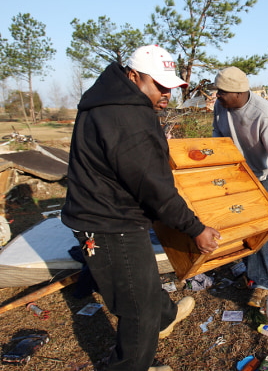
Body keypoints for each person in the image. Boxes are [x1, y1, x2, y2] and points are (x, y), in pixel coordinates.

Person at [62, 45, 221, 371]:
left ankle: (166, 316)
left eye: (170, 86)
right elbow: (154, 188)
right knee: (137, 308)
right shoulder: (127, 115)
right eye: (159, 85)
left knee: (140, 280)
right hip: (108, 221)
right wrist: (196, 229)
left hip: (108, 210)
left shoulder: (110, 100)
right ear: (133, 76)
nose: (166, 93)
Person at [212, 66, 268, 307]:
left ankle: (262, 283)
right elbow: (217, 137)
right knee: (235, 222)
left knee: (259, 230)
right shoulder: (221, 106)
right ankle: (245, 265)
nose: (217, 96)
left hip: (260, 176)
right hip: (233, 175)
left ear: (237, 93)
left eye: (221, 93)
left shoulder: (263, 113)